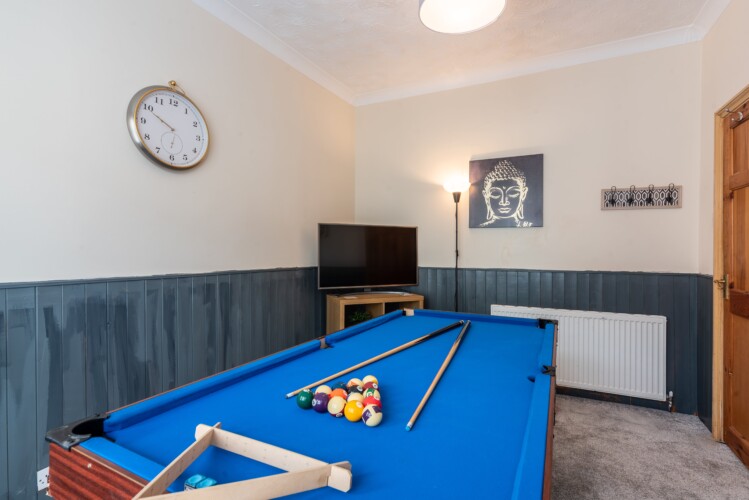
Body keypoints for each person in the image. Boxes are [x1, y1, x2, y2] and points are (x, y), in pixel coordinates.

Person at [480, 160, 530, 227]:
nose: (504, 202)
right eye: (495, 194)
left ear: (523, 194)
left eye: (513, 192)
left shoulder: (528, 226)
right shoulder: (481, 227)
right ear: (486, 195)